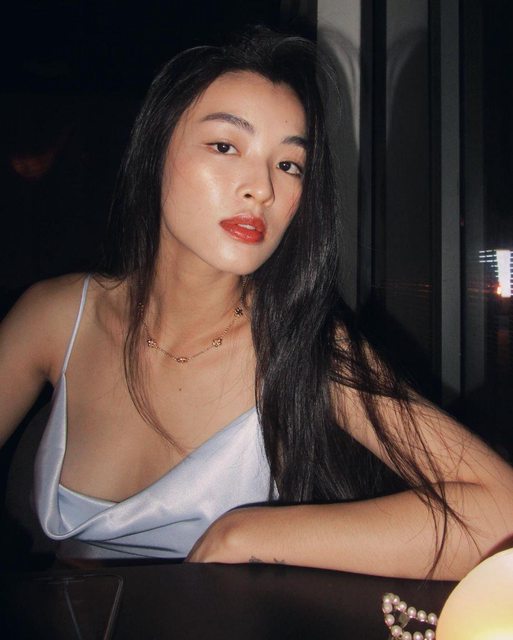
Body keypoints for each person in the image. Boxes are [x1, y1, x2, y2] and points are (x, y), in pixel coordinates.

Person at [0, 28, 512, 579]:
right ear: (154, 153)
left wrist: (247, 532)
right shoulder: (54, 317)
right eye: (225, 146)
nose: (263, 188)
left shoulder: (304, 345)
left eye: (289, 165)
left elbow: (499, 512)